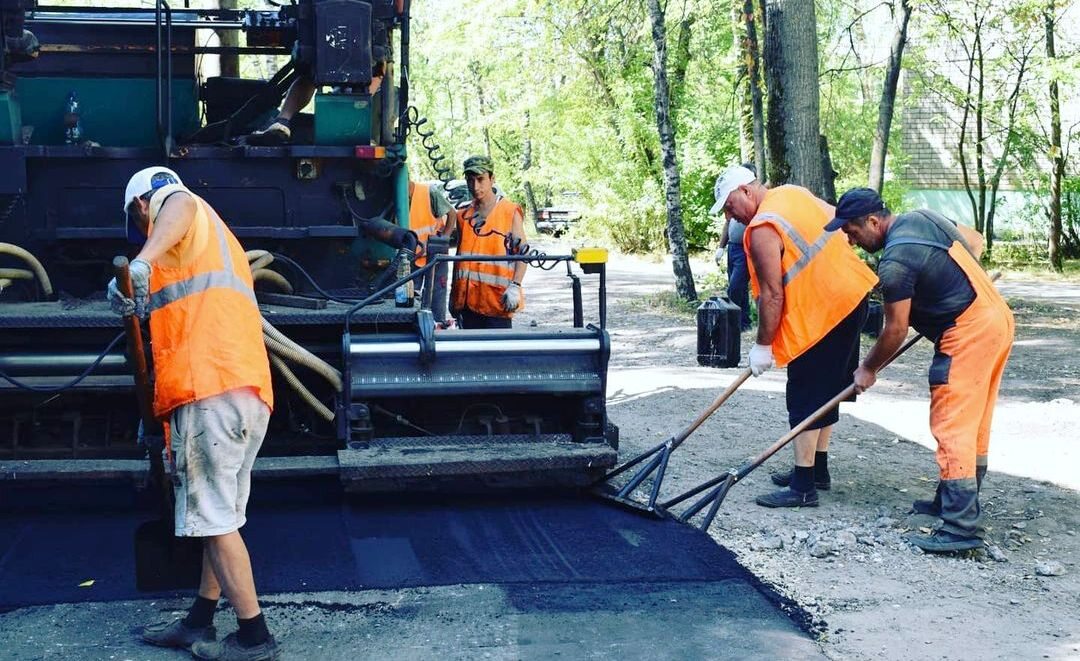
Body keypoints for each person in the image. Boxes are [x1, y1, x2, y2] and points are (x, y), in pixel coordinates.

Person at [107, 166, 280, 660]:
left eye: (139, 219)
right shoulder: (206, 241)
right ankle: (199, 621)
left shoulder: (178, 208)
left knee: (215, 519)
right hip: (239, 387)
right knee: (217, 516)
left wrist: (140, 263)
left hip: (211, 387)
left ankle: (255, 638)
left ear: (142, 204)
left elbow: (176, 203)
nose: (143, 229)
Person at [826, 188, 1013, 552]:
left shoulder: (895, 262)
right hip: (995, 316)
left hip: (969, 331)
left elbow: (895, 329)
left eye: (851, 231)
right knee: (975, 420)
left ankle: (961, 528)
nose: (850, 240)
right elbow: (973, 241)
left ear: (874, 221)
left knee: (952, 422)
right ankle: (951, 500)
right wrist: (950, 283)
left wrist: (867, 369)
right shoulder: (923, 217)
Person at [710, 164, 878, 508]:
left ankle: (803, 487)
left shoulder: (762, 227)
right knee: (828, 389)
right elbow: (841, 228)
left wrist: (762, 346)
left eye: (729, 206)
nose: (731, 216)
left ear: (746, 191)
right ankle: (817, 470)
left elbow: (772, 294)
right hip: (852, 298)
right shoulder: (793, 193)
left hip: (821, 314)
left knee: (804, 395)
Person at [449, 155, 527, 329]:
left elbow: (523, 254)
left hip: (496, 304)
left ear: (492, 179)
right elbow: (459, 259)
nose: (475, 186)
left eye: (480, 179)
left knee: (497, 355)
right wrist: (453, 296)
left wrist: (515, 286)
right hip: (467, 305)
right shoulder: (463, 216)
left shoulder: (509, 211)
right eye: (470, 180)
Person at [710, 163, 756, 332]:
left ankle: (731, 322)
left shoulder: (756, 207)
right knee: (737, 286)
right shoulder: (733, 208)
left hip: (746, 248)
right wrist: (721, 247)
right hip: (733, 247)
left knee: (735, 287)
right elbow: (727, 224)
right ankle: (742, 322)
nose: (729, 213)